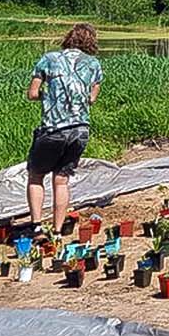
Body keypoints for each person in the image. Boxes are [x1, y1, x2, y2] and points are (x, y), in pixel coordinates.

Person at [25, 23, 103, 237]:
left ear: (69, 38)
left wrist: (48, 97)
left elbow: (32, 93)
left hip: (53, 129)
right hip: (80, 130)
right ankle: (58, 232)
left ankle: (37, 226)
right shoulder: (94, 64)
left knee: (36, 175)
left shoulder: (48, 59)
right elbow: (91, 99)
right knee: (61, 180)